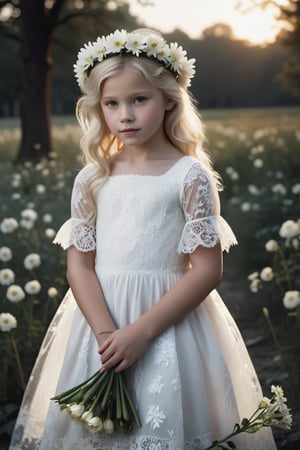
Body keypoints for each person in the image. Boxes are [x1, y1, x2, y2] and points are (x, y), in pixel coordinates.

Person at [9, 29, 277, 450]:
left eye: (139, 99)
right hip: (99, 321)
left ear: (169, 98)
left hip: (169, 321)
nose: (125, 115)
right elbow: (79, 264)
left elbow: (207, 268)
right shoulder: (93, 178)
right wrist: (105, 335)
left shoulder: (189, 175)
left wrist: (141, 332)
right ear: (99, 108)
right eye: (111, 103)